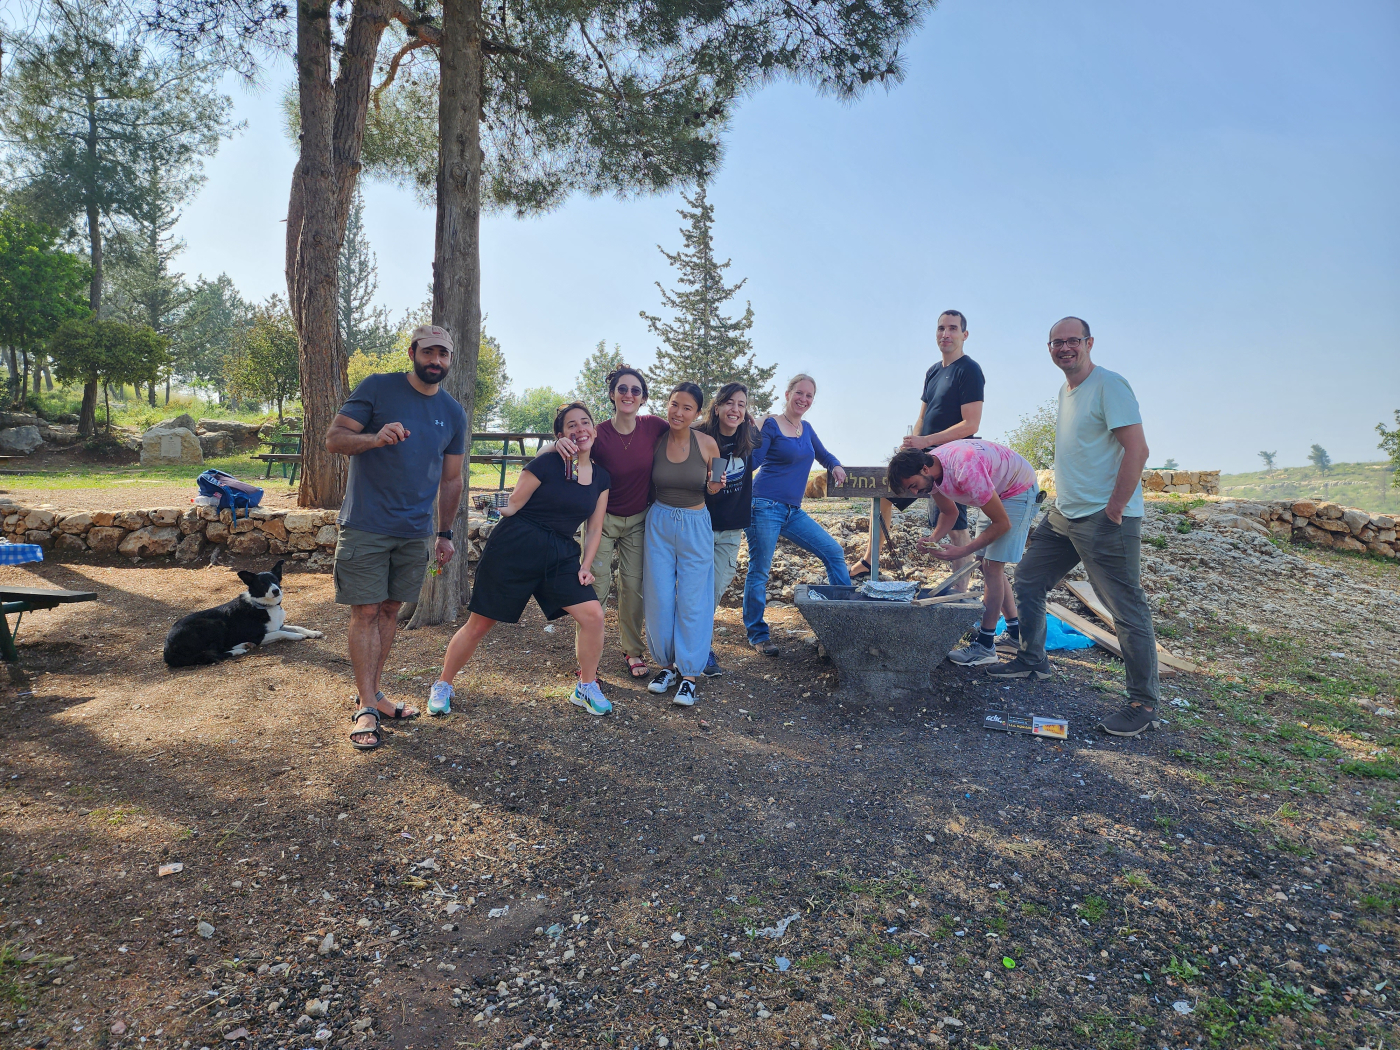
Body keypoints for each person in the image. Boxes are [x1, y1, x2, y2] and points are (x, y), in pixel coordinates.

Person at [988, 317, 1159, 739]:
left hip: (1104, 516)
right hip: (1065, 514)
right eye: (1057, 342)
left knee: (1125, 608)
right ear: (1049, 348)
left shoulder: (1109, 385)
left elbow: (1137, 450)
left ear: (1089, 343)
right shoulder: (1066, 392)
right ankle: (1033, 659)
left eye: (1072, 341)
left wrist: (1114, 510)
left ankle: (1143, 704)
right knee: (1029, 578)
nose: (1065, 348)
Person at [326, 324, 469, 751]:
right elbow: (334, 439)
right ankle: (367, 708)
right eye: (429, 352)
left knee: (389, 610)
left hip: (414, 531)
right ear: (412, 352)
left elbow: (452, 479)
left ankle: (372, 696)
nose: (436, 361)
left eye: (443, 354)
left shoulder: (453, 412)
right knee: (366, 611)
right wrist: (374, 438)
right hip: (366, 523)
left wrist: (444, 534)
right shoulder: (378, 388)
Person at [427, 403, 613, 718]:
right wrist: (488, 505)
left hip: (560, 554)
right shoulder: (547, 462)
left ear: (594, 430)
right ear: (560, 434)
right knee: (479, 625)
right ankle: (443, 684)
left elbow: (595, 527)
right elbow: (513, 504)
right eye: (571, 425)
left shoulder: (601, 478)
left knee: (593, 615)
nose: (580, 429)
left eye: (585, 422)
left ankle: (586, 686)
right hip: (516, 546)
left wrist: (585, 565)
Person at [855, 310, 984, 590]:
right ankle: (869, 561)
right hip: (923, 458)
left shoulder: (969, 369)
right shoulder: (933, 371)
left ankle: (960, 595)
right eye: (941, 328)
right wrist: (912, 445)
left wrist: (926, 441)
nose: (945, 334)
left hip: (951, 464)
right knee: (886, 494)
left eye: (952, 328)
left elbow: (971, 424)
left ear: (964, 335)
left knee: (956, 528)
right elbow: (922, 417)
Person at [886, 439, 1040, 665]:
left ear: (924, 469)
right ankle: (1015, 634)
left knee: (991, 566)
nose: (916, 492)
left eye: (914, 485)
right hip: (997, 490)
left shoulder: (965, 470)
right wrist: (933, 539)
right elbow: (949, 513)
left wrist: (962, 551)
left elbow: (1002, 523)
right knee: (985, 562)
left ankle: (985, 646)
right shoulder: (932, 474)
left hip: (1018, 490)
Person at [557, 367, 668, 679]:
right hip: (601, 520)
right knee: (595, 587)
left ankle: (633, 650)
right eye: (622, 389)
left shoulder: (653, 426)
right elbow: (566, 449)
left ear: (643, 398)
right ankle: (588, 661)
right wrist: (555, 445)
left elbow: (686, 430)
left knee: (633, 587)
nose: (628, 395)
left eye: (635, 390)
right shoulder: (598, 433)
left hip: (639, 519)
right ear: (612, 394)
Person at [743, 374, 850, 656]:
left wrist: (835, 465)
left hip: (793, 511)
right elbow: (754, 462)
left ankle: (846, 622)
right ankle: (758, 634)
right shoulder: (771, 424)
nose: (803, 399)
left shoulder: (807, 428)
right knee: (759, 570)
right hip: (763, 505)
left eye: (809, 395)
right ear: (788, 394)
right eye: (799, 393)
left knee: (833, 552)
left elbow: (824, 455)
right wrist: (751, 431)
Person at [643, 383, 723, 706]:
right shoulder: (656, 440)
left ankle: (689, 675)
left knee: (693, 600)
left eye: (687, 408)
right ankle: (667, 668)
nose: (678, 412)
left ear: (697, 413)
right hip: (659, 523)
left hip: (695, 524)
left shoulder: (708, 444)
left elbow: (715, 486)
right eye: (674, 404)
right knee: (659, 598)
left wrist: (716, 483)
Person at [695, 382, 763, 677]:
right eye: (730, 403)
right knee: (693, 590)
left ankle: (699, 647)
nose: (735, 409)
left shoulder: (749, 436)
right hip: (700, 525)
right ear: (717, 406)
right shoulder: (700, 434)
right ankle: (695, 649)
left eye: (741, 404)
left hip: (732, 529)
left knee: (713, 591)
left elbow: (767, 431)